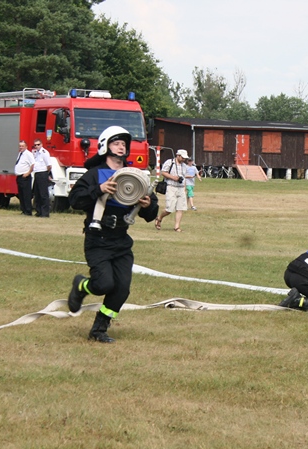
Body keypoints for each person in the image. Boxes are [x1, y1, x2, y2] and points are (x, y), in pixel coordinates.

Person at [67, 126, 159, 342]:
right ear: (105, 146)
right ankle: (81, 285)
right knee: (103, 284)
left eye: (123, 144)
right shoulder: (95, 174)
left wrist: (147, 205)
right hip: (98, 239)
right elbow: (75, 200)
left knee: (122, 289)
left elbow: (151, 213)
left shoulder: (135, 176)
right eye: (116, 143)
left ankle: (99, 329)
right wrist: (99, 189)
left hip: (121, 241)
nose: (121, 147)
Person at [155, 148, 189, 232]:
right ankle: (159, 218)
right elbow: (163, 172)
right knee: (169, 208)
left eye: (185, 158)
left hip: (181, 188)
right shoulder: (169, 162)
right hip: (171, 187)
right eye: (182, 157)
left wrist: (184, 188)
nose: (183, 159)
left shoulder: (184, 166)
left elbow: (184, 178)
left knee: (180, 208)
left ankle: (177, 227)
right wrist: (173, 178)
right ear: (178, 156)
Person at [31, 138, 53, 217]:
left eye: (38, 144)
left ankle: (45, 212)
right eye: (35, 145)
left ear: (41, 144)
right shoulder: (36, 153)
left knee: (43, 194)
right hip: (37, 173)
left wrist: (46, 173)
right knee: (37, 194)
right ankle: (39, 211)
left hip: (43, 173)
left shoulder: (44, 153)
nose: (37, 146)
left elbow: (49, 165)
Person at [14, 140, 35, 215]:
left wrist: (28, 173)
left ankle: (28, 211)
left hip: (25, 177)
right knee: (21, 195)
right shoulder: (20, 154)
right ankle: (23, 210)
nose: (21, 147)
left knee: (26, 195)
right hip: (19, 177)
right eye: (20, 146)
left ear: (26, 146)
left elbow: (33, 164)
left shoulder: (28, 154)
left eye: (22, 146)